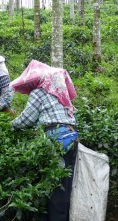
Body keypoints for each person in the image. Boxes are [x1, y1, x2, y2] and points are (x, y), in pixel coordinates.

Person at [10, 60, 79, 221]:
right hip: (71, 135)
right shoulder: (59, 91)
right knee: (65, 185)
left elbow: (26, 119)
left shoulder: (38, 92)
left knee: (55, 186)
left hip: (57, 139)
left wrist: (9, 126)